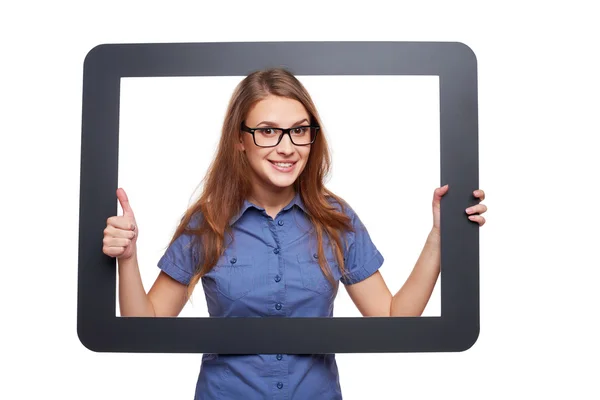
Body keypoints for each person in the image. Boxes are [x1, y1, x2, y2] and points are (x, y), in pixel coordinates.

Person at [102, 67, 488, 399]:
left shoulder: (338, 220)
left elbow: (393, 317)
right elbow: (145, 327)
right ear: (240, 139)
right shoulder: (207, 223)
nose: (286, 147)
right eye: (268, 131)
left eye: (299, 130)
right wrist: (128, 258)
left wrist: (440, 237)